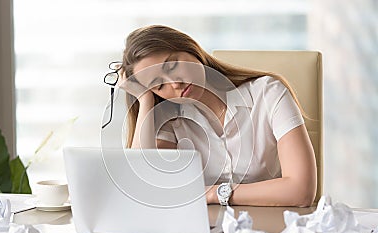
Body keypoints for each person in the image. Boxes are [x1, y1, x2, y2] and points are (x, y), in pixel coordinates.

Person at [117, 25, 317, 207]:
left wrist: (215, 194)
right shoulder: (170, 122)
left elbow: (301, 191)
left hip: (273, 228)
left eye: (172, 65)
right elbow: (145, 188)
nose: (175, 83)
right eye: (159, 85)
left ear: (190, 48)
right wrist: (144, 100)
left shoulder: (267, 93)